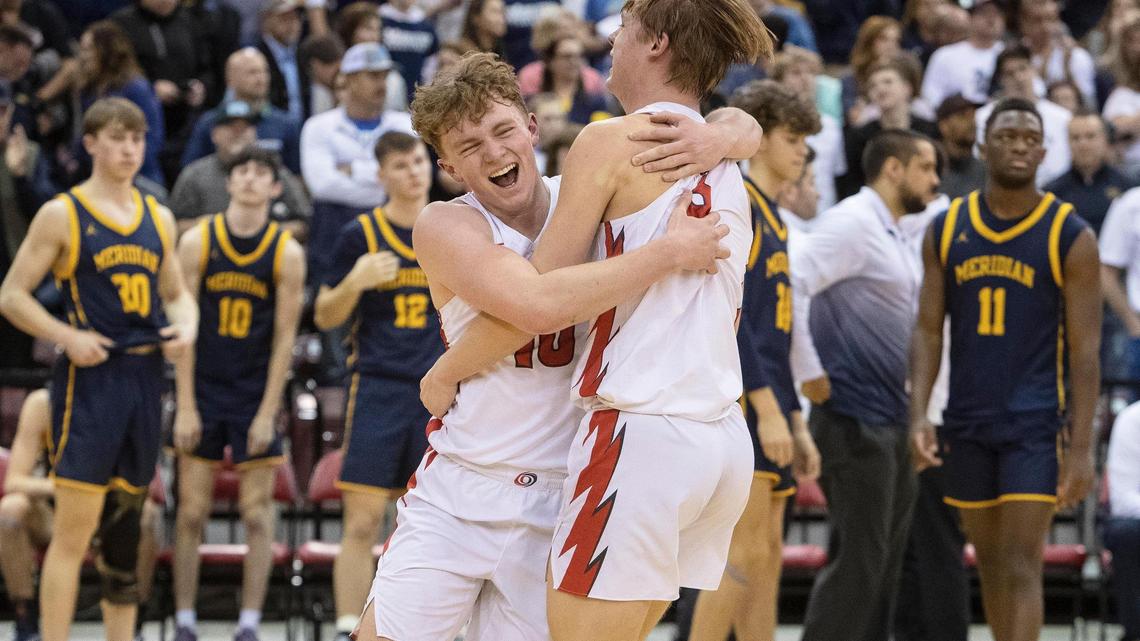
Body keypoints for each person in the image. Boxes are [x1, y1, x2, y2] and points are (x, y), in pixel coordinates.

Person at [356, 45, 765, 641]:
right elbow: (536, 307)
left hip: (567, 492)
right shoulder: (448, 224)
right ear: (448, 167)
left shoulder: (593, 192)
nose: (494, 153)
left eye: (502, 132)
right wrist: (667, 252)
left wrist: (725, 133)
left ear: (531, 127)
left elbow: (742, 122)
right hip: (463, 484)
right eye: (469, 147)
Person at [0, 96, 197, 641]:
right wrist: (66, 335)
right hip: (89, 381)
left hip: (143, 381)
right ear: (90, 143)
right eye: (117, 137)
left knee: (125, 535)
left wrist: (187, 327)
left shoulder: (158, 216)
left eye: (136, 139)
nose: (129, 149)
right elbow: (12, 296)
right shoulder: (62, 213)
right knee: (73, 531)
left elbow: (178, 295)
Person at [910, 97, 1100, 641]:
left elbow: (1085, 354)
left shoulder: (1071, 234)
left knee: (1021, 564)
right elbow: (926, 330)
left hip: (1033, 422)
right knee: (990, 565)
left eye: (1028, 138)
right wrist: (919, 415)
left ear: (1042, 150)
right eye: (1006, 135)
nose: (1018, 145)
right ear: (982, 144)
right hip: (967, 418)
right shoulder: (946, 228)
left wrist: (1082, 446)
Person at [789, 130, 941, 641]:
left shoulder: (895, 229)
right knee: (860, 563)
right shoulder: (852, 222)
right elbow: (790, 278)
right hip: (851, 416)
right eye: (925, 166)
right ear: (893, 169)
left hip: (890, 417)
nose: (935, 179)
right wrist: (809, 368)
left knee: (882, 565)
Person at [688, 78, 822, 641]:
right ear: (760, 140)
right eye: (792, 138)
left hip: (773, 397)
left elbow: (778, 331)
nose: (802, 151)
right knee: (738, 551)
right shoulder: (740, 207)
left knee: (767, 552)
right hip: (740, 396)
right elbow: (732, 319)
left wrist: (794, 418)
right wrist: (766, 409)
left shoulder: (779, 220)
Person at [311, 132, 443, 641]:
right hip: (378, 390)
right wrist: (354, 282)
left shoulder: (453, 224)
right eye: (400, 165)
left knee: (430, 526)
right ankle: (349, 627)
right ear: (381, 175)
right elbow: (324, 315)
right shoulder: (358, 236)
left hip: (441, 393)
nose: (413, 172)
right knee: (362, 522)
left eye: (417, 161)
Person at [170, 145, 304, 641]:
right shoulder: (197, 242)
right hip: (202, 386)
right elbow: (182, 327)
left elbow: (286, 337)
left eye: (260, 172)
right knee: (190, 511)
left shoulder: (286, 251)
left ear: (274, 187)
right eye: (241, 170)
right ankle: (185, 620)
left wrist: (268, 411)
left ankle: (248, 623)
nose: (249, 178)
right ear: (229, 182)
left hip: (253, 390)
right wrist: (184, 403)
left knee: (255, 513)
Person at [0, 389, 164, 641]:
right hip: (56, 509)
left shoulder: (127, 395)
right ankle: (26, 623)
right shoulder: (43, 403)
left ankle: (135, 623)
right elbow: (14, 481)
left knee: (147, 515)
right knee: (9, 510)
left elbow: (143, 481)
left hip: (109, 510)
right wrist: (72, 488)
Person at [300, 41, 412, 289]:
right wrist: (385, 181)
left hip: (394, 235)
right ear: (348, 79)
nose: (382, 83)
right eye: (373, 76)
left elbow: (411, 183)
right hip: (334, 235)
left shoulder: (405, 125)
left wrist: (353, 169)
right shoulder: (318, 127)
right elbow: (323, 186)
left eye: (385, 75)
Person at [170, 99, 311, 235]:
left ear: (255, 133)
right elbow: (173, 225)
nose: (238, 133)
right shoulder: (194, 174)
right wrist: (217, 228)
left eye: (245, 127)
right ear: (214, 134)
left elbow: (304, 223)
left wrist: (261, 233)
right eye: (230, 127)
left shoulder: (275, 171)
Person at [181, 48, 303, 174]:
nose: (261, 78)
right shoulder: (211, 122)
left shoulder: (287, 124)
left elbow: (296, 175)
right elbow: (191, 169)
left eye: (264, 71)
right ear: (230, 78)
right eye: (252, 72)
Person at [975, 45, 1073, 187]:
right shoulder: (984, 117)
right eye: (1010, 73)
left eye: (1023, 69)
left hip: (1059, 191)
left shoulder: (1063, 117)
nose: (1019, 78)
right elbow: (981, 160)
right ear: (1001, 80)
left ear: (1033, 71)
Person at [1045, 110, 1132, 234]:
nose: (1083, 144)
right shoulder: (1052, 194)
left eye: (1090, 136)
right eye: (1075, 138)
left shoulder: (1127, 188)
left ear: (1106, 140)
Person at [922, 0, 1006, 108]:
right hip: (955, 118)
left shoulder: (1011, 54)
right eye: (984, 13)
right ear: (970, 17)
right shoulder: (945, 55)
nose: (991, 19)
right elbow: (931, 97)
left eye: (997, 13)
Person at [1017, 0, 1096, 107]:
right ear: (1023, 23)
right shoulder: (1014, 56)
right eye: (1037, 20)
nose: (1045, 27)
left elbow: (1088, 104)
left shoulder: (1075, 57)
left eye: (1051, 20)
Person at [1106, 400, 1140, 641]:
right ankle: (1135, 631)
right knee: (1126, 532)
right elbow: (1123, 499)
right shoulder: (1132, 420)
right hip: (1136, 520)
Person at [380, 0, 441, 103]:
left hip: (416, 95)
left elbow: (431, 63)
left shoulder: (425, 25)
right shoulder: (379, 19)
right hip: (385, 91)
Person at [257, 0, 307, 122]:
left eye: (296, 18)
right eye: (285, 18)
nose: (293, 24)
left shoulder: (304, 53)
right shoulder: (255, 55)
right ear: (267, 20)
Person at [936, 94, 987, 199]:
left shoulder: (985, 171)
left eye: (973, 116)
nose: (971, 122)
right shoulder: (931, 168)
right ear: (944, 126)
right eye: (962, 116)